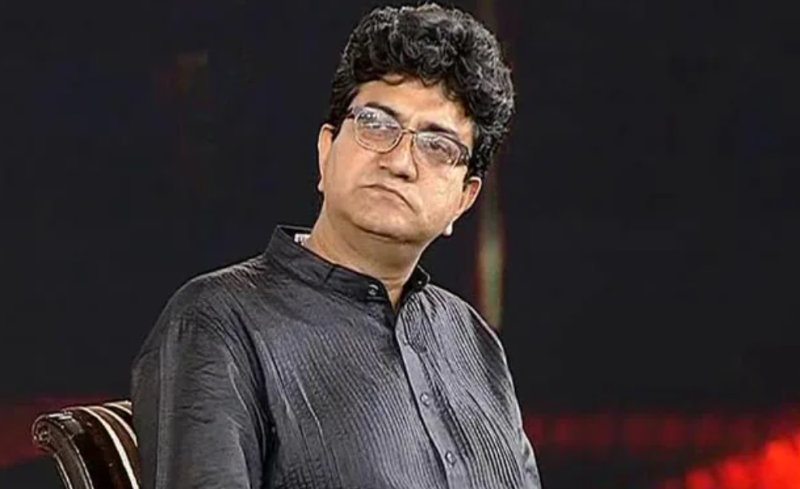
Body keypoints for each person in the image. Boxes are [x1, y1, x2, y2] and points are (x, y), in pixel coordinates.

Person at [131, 3, 541, 488]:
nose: (400, 162)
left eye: (437, 146)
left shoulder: (473, 342)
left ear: (464, 199)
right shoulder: (219, 321)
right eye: (377, 124)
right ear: (326, 151)